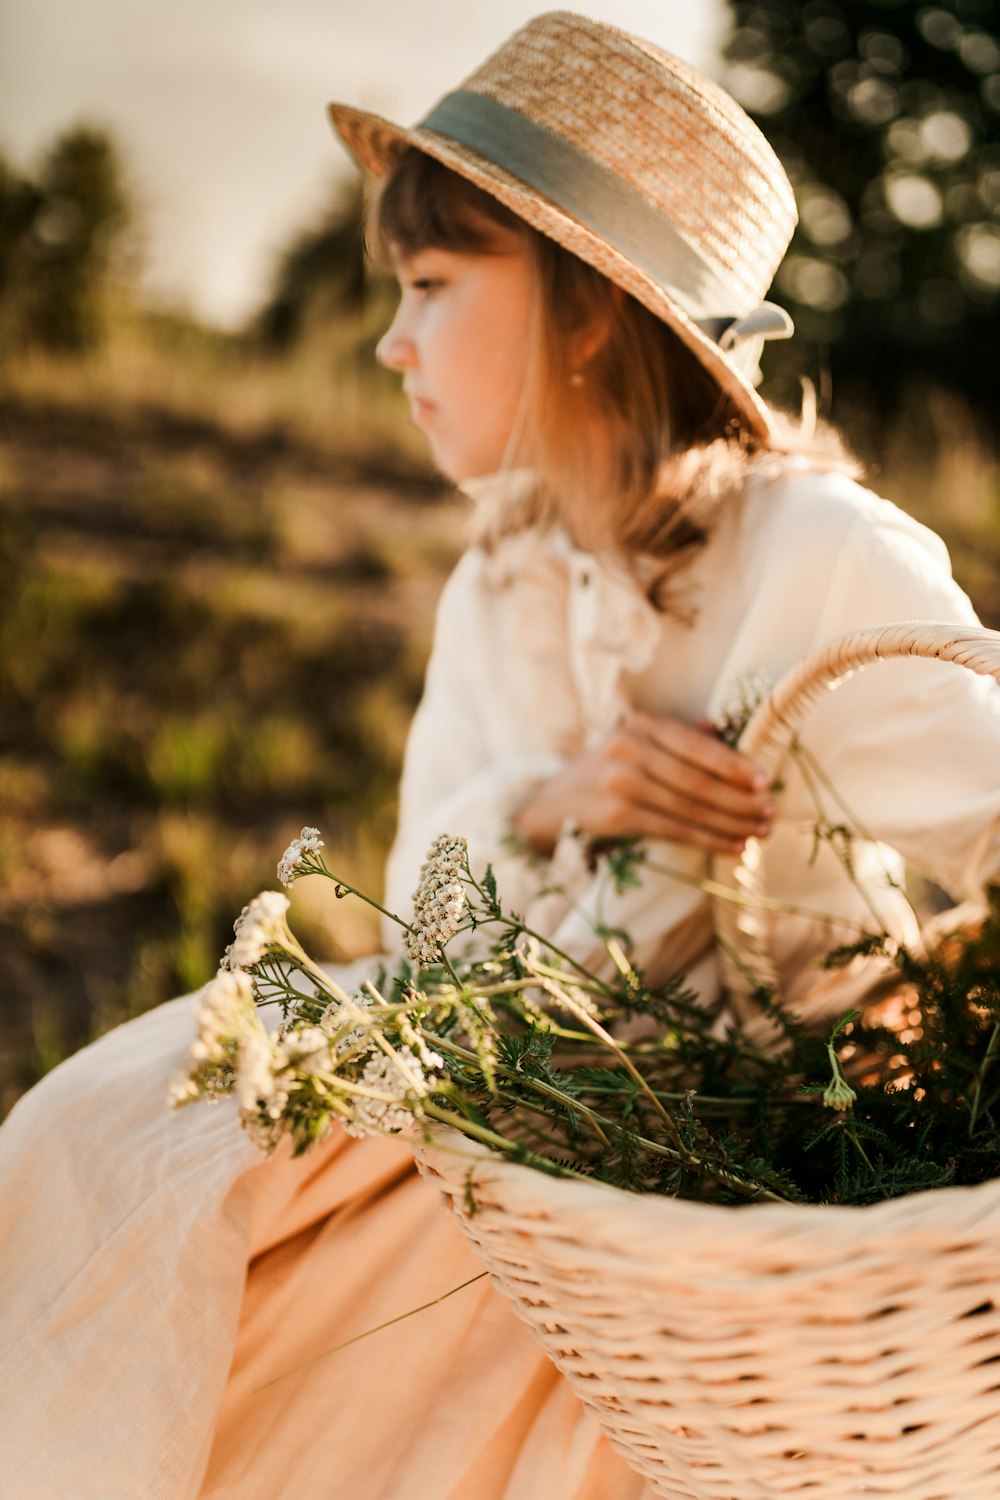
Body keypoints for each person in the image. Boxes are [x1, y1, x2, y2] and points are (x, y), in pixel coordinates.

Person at [3, 12, 999, 1499]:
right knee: (102, 1142)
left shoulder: (815, 559)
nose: (391, 339)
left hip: (736, 1197)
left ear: (591, 312)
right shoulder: (507, 571)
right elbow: (420, 893)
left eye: (428, 285)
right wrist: (557, 798)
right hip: (522, 1117)